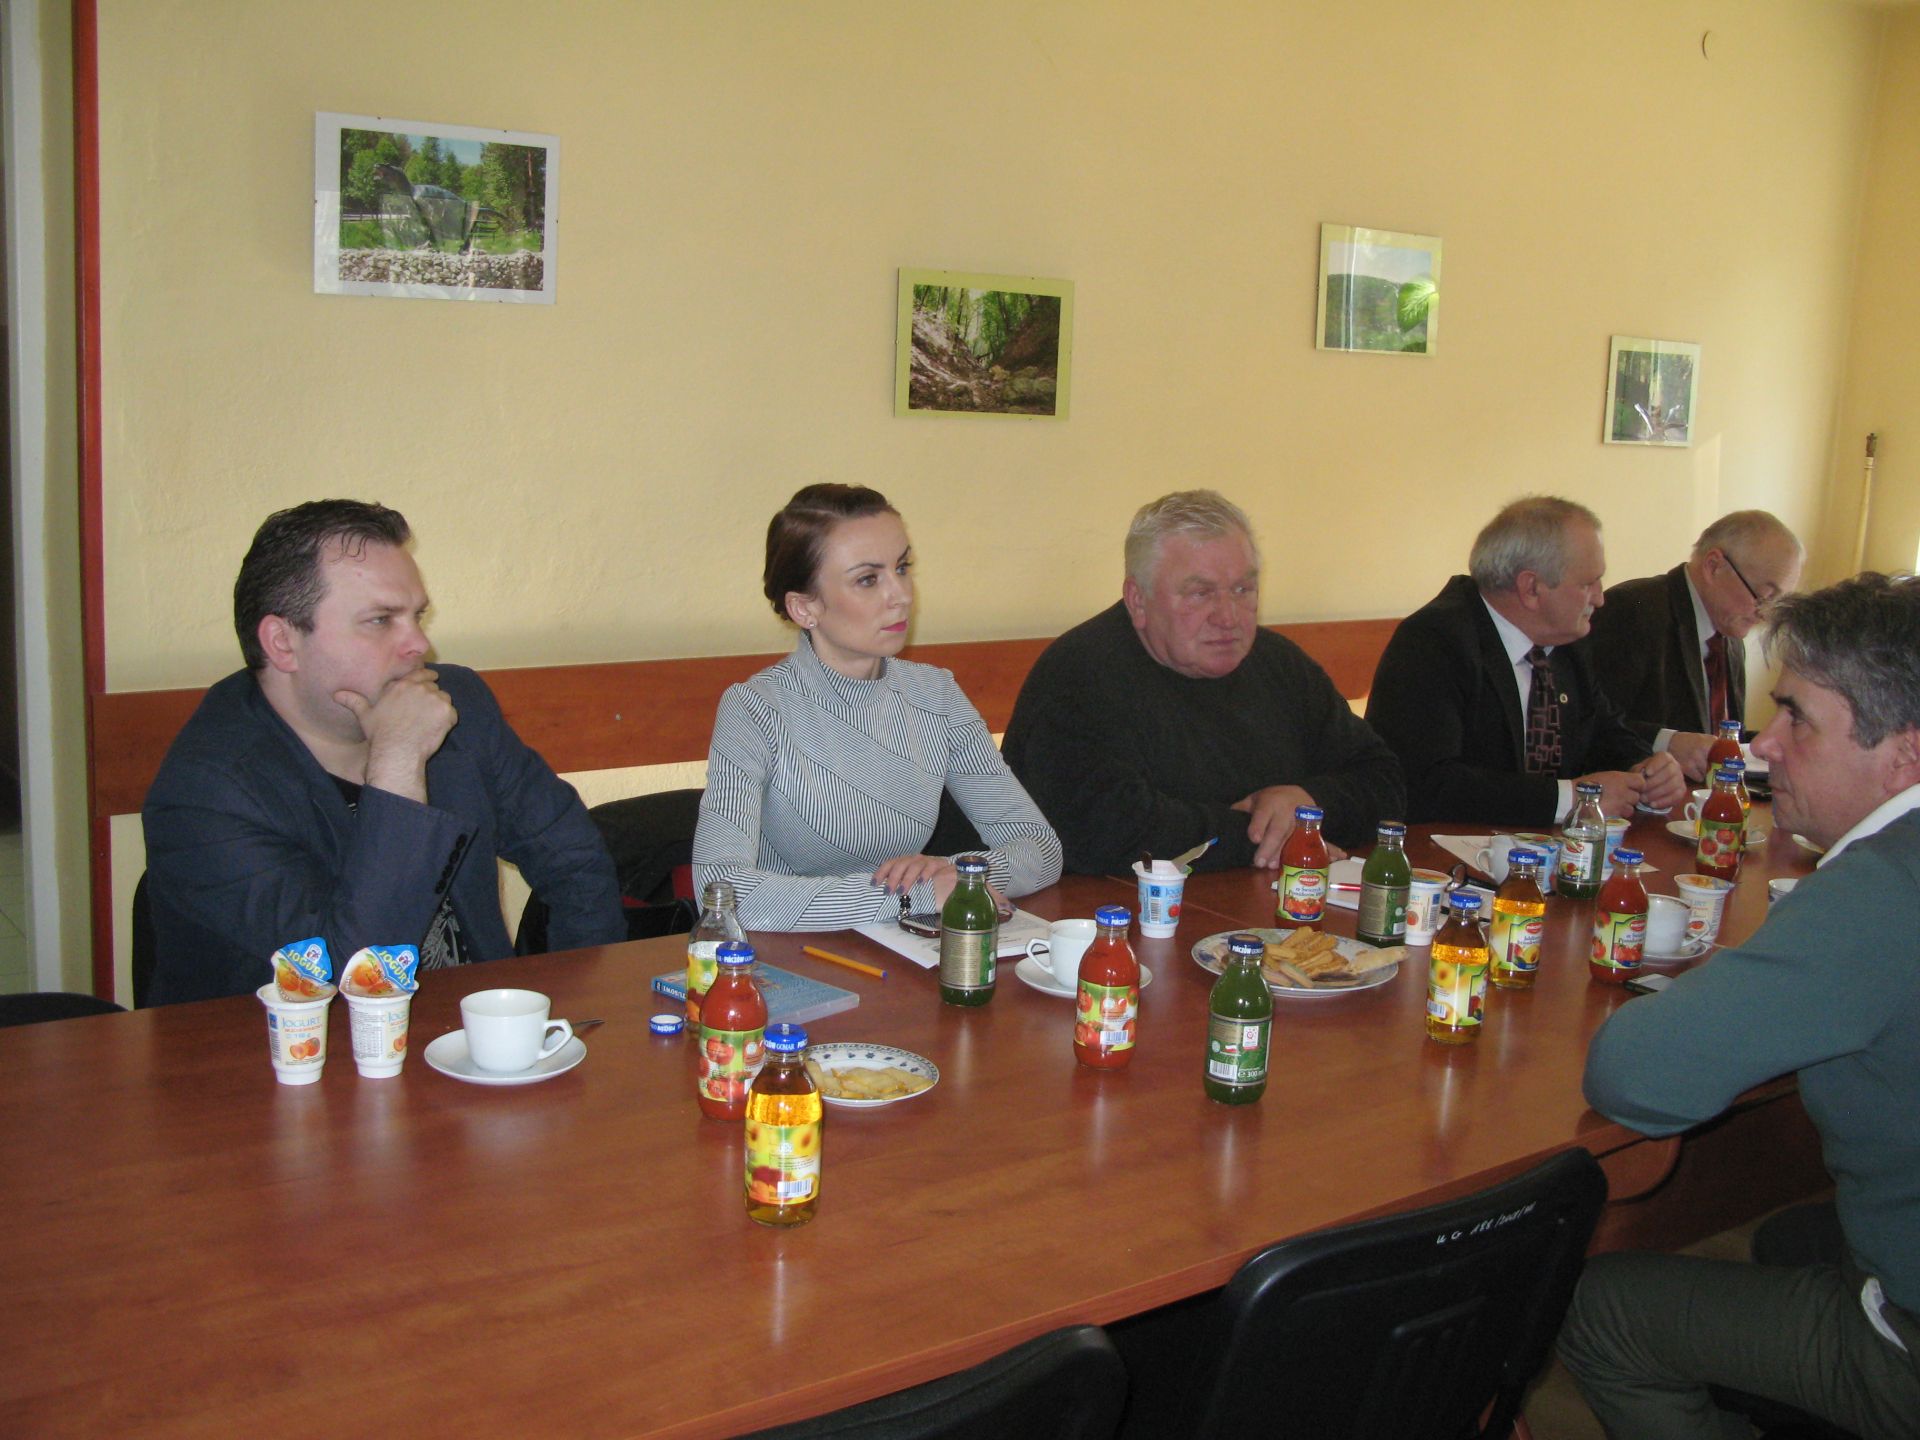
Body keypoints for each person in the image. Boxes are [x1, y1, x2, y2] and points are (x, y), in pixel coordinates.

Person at [1559, 572, 1920, 1440]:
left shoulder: (1882, 890)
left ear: (1905, 756)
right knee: (1788, 1240)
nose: (1764, 745)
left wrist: (1743, 978)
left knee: (1601, 1308)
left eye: (1797, 717)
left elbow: (1633, 1075)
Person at [143, 500, 624, 1004]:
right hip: (293, 1048)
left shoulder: (458, 705)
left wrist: (572, 1006)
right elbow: (348, 984)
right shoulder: (207, 792)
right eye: (380, 620)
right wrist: (398, 762)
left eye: (417, 616)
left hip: (470, 1035)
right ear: (283, 643)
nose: (419, 644)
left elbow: (576, 861)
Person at [692, 484, 1061, 930]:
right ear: (804, 608)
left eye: (902, 568)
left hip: (905, 948)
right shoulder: (755, 708)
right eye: (868, 579)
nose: (901, 594)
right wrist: (910, 894)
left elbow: (1041, 849)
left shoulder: (936, 694)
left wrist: (957, 874)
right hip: (793, 952)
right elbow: (722, 891)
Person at [999, 490, 1403, 873]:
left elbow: (1385, 783)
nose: (1228, 617)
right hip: (1110, 910)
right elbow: (1108, 833)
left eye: (1243, 589)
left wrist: (1308, 804)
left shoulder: (1280, 665)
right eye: (1200, 593)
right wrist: (1274, 834)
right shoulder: (1080, 676)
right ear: (1138, 600)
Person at [1365, 496, 1687, 826]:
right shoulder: (1434, 642)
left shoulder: (1565, 641)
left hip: (1550, 846)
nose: (1600, 598)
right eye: (1587, 583)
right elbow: (1424, 784)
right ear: (1531, 588)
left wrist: (1647, 769)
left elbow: (1603, 732)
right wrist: (1572, 799)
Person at [1583, 509, 1804, 779]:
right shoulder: (1632, 610)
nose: (1766, 615)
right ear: (1713, 566)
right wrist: (1667, 742)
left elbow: (1715, 736)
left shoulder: (1730, 637)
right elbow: (1585, 724)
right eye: (1764, 597)